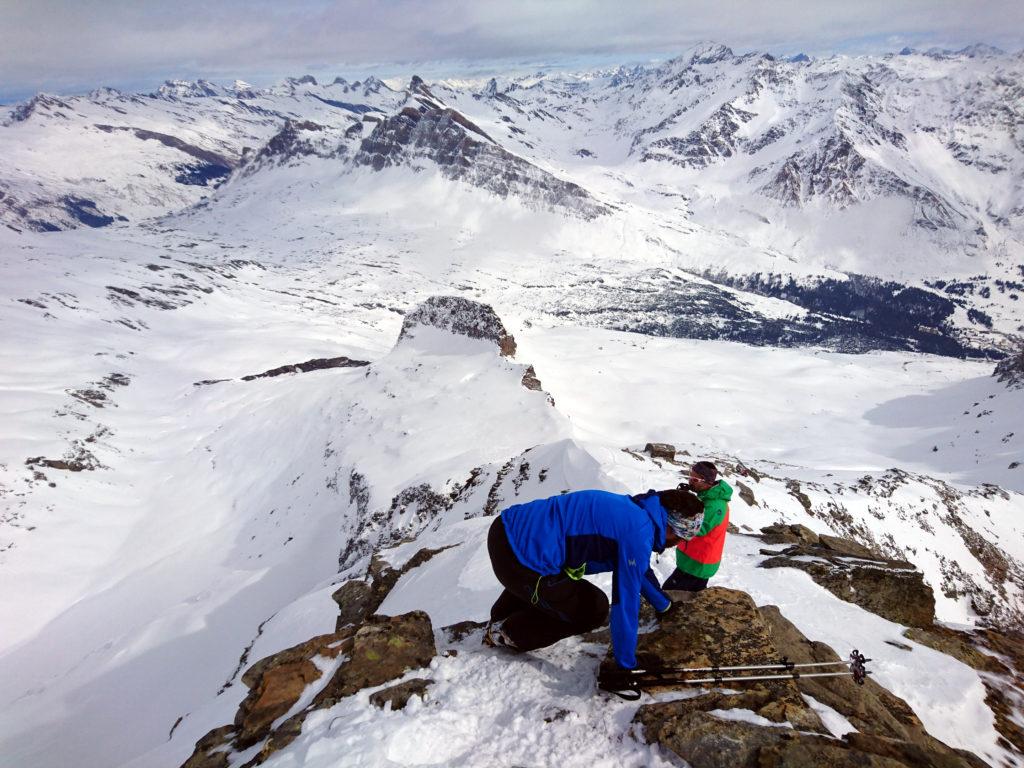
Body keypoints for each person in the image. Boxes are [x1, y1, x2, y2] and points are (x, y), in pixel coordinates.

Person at [484, 487, 704, 670]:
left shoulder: (638, 511)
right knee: (594, 609)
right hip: (517, 559)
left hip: (509, 528)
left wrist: (664, 606)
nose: (678, 543)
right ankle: (508, 633)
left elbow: (639, 570)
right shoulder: (638, 533)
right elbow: (625, 602)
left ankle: (501, 615)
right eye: (681, 537)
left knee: (548, 571)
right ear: (670, 527)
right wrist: (626, 665)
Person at [662, 460, 733, 597]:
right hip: (693, 560)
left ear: (706, 482)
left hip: (699, 563)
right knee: (688, 597)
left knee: (669, 594)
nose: (690, 481)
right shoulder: (705, 497)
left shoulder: (715, 506)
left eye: (694, 479)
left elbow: (697, 529)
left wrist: (674, 516)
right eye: (690, 476)